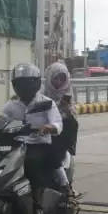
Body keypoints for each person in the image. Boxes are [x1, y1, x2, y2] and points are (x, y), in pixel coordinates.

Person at [1, 63, 63, 195]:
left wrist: (49, 127)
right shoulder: (11, 105)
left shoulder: (46, 103)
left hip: (38, 144)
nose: (23, 87)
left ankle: (59, 187)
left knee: (36, 160)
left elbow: (57, 123)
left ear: (36, 83)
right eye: (19, 83)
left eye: (26, 83)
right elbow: (1, 120)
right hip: (17, 145)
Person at [43, 61, 78, 192]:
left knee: (53, 153)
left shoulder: (67, 94)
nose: (58, 82)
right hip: (40, 132)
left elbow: (72, 121)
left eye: (61, 79)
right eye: (55, 78)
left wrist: (66, 109)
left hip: (59, 135)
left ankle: (65, 186)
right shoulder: (41, 93)